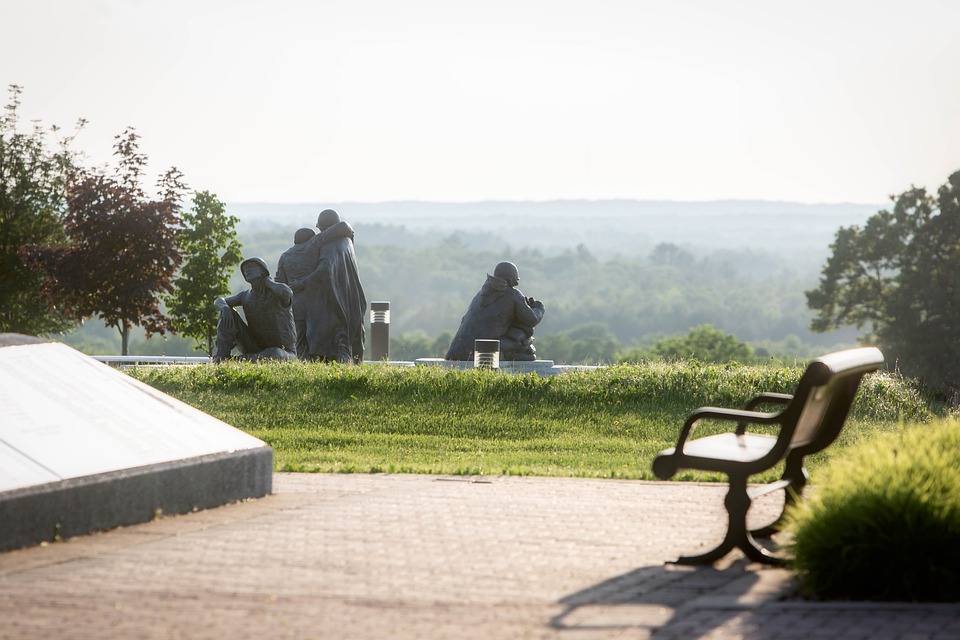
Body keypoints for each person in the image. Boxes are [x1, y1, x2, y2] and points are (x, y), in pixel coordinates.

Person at [291, 209, 367, 363]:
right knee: (349, 336)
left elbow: (325, 269)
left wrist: (302, 283)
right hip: (351, 296)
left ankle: (338, 371)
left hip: (335, 297)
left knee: (336, 340)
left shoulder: (329, 245)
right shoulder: (347, 241)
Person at [445, 261, 545, 361]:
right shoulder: (513, 295)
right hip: (481, 353)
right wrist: (538, 308)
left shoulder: (480, 295)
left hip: (456, 353)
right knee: (523, 331)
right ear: (512, 280)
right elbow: (531, 319)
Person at [213, 257, 297, 362]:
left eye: (251, 267)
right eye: (244, 269)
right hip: (255, 347)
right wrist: (225, 308)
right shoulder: (245, 295)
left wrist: (268, 282)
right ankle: (222, 356)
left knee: (275, 354)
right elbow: (218, 301)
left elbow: (287, 293)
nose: (247, 270)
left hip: (284, 351)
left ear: (263, 271)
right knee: (226, 312)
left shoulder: (276, 292)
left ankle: (241, 360)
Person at [275, 227, 317, 359]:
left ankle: (303, 365)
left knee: (299, 338)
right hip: (316, 302)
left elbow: (279, 282)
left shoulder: (285, 256)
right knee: (315, 337)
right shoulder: (315, 253)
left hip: (295, 303)